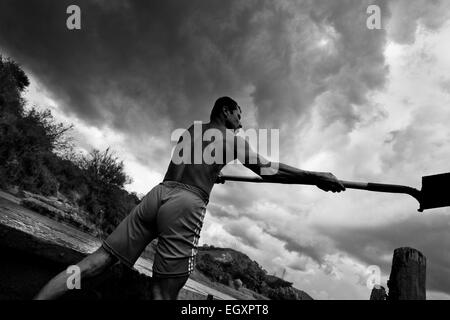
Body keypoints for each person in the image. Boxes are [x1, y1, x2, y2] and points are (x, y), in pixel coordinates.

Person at [34, 96, 345, 300]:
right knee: (163, 294)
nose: (241, 121)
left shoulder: (190, 131)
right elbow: (268, 170)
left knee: (96, 262)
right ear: (225, 111)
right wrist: (315, 177)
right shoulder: (231, 140)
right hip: (186, 204)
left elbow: (185, 170)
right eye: (239, 115)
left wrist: (212, 172)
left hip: (158, 194)